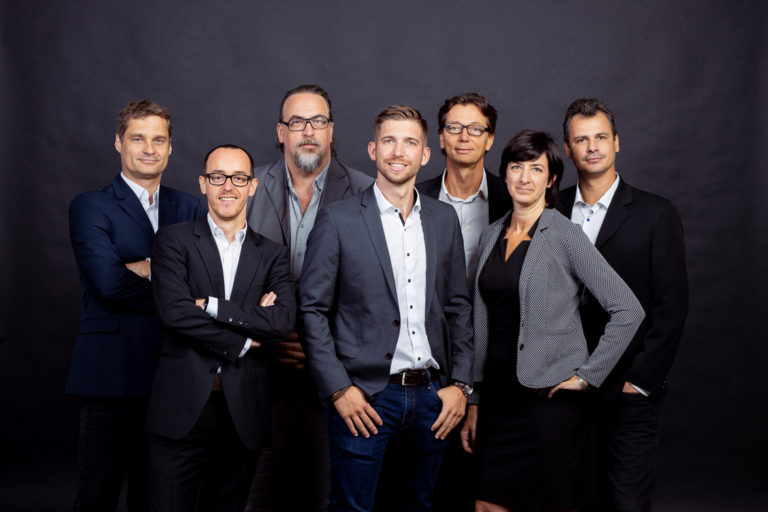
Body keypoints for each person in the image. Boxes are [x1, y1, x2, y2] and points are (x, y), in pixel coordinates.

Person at [298, 105, 474, 512]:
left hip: (432, 397)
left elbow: (457, 307)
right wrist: (338, 389)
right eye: (389, 141)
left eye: (410, 142)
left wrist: (461, 385)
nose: (398, 151)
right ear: (373, 150)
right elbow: (311, 310)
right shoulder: (338, 220)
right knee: (352, 507)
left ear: (425, 154)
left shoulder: (444, 219)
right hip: (364, 396)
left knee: (419, 504)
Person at [461, 130, 644, 512]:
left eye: (536, 169)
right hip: (499, 401)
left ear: (551, 179)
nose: (525, 178)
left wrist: (587, 376)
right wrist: (474, 398)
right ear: (505, 174)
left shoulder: (565, 235)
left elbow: (628, 309)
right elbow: (481, 320)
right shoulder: (491, 235)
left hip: (549, 404)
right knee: (486, 504)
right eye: (516, 167)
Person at [66, 99, 203, 511]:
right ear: (118, 143)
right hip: (112, 372)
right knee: (97, 495)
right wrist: (177, 286)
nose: (149, 148)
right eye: (138, 138)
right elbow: (108, 283)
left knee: (157, 498)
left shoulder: (191, 207)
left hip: (174, 372)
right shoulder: (90, 206)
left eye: (158, 140)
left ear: (170, 148)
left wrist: (143, 267)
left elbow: (208, 278)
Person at [145, 145, 295, 512]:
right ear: (203, 183)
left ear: (252, 186)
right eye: (218, 177)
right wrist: (245, 338)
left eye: (239, 178)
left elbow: (281, 321)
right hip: (181, 406)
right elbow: (175, 314)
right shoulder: (172, 240)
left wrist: (211, 306)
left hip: (243, 409)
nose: (228, 186)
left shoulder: (273, 254)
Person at [245, 84, 372, 512]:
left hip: (337, 374)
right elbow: (226, 272)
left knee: (327, 495)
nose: (308, 131)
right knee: (257, 496)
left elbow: (373, 288)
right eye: (297, 122)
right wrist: (269, 336)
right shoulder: (248, 185)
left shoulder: (365, 191)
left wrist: (319, 348)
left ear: (331, 130)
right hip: (261, 366)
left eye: (318, 121)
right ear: (281, 132)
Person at [557, 98, 688, 512]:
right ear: (568, 149)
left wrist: (640, 383)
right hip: (561, 389)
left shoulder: (656, 214)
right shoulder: (549, 208)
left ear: (616, 142)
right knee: (568, 501)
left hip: (626, 390)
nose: (592, 147)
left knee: (625, 504)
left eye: (601, 137)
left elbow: (671, 306)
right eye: (582, 139)